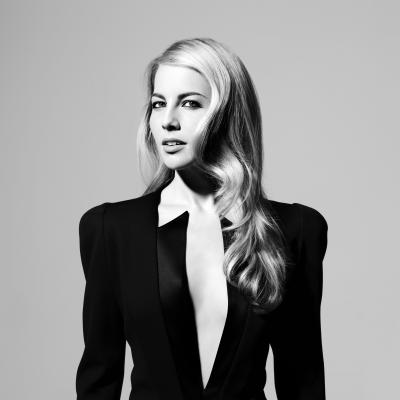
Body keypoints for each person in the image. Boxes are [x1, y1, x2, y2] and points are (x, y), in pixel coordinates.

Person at [75, 37, 329, 400]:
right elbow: (98, 381)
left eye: (190, 103)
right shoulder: (111, 230)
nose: (168, 121)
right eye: (158, 104)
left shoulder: (294, 231)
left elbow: (303, 383)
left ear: (228, 113)